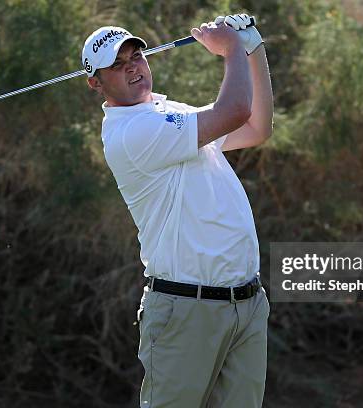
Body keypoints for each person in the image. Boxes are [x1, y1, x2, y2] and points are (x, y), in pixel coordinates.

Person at [82, 13, 273, 408]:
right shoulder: (131, 132)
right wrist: (232, 48)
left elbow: (256, 127)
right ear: (95, 83)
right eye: (116, 65)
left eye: (136, 55)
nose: (132, 66)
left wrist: (253, 49)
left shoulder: (171, 115)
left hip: (246, 304)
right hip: (187, 310)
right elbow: (235, 110)